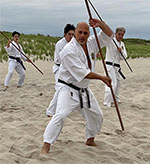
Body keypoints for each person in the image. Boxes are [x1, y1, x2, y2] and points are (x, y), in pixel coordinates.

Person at [40, 18, 114, 155]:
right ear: (74, 33)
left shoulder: (91, 43)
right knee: (60, 115)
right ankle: (46, 145)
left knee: (97, 115)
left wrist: (101, 25)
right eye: (80, 32)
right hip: (67, 88)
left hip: (84, 90)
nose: (82, 36)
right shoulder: (68, 50)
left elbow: (109, 35)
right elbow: (83, 73)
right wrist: (102, 78)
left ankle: (90, 139)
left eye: (86, 33)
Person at [46, 24, 75, 116]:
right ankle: (50, 111)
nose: (71, 36)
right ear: (65, 34)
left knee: (72, 88)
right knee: (60, 88)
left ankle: (67, 107)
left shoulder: (74, 44)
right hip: (59, 68)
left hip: (69, 69)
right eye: (69, 34)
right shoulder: (60, 44)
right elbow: (61, 58)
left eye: (73, 35)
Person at [103, 27, 127, 107]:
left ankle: (115, 100)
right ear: (116, 34)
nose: (120, 36)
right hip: (109, 65)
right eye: (119, 34)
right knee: (112, 83)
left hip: (117, 66)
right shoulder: (111, 41)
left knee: (118, 83)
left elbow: (124, 57)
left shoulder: (122, 44)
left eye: (122, 35)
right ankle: (107, 102)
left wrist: (121, 51)